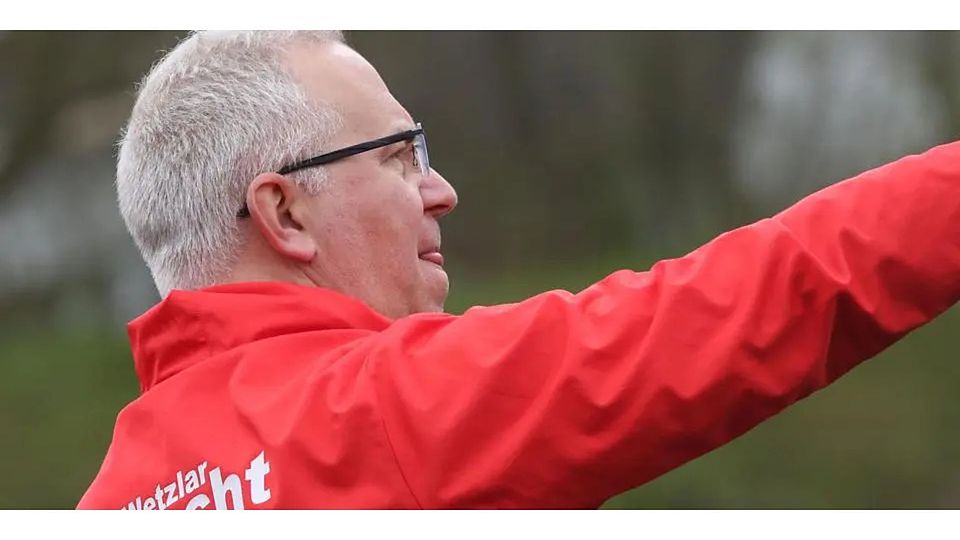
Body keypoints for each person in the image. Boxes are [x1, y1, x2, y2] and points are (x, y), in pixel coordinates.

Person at [77, 30, 960, 510]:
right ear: (283, 213)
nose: (441, 190)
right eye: (397, 156)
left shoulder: (106, 507)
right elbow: (766, 292)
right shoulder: (382, 416)